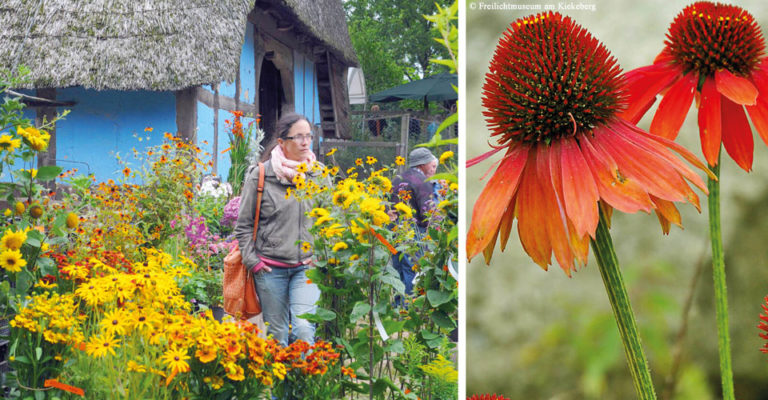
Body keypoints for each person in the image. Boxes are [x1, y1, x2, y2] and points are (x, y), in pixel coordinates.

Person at [234, 113, 321, 347]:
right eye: (298, 137)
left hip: (307, 268)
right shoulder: (261, 175)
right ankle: (280, 382)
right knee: (278, 335)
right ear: (282, 142)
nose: (305, 142)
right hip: (271, 270)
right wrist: (255, 264)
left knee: (304, 328)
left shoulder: (318, 175)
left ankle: (305, 381)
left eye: (308, 136)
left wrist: (322, 257)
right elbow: (243, 225)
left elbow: (331, 221)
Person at [390, 147, 438, 295]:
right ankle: (411, 308)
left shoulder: (398, 178)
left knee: (398, 271)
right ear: (422, 164)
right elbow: (427, 213)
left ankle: (399, 308)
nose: (433, 170)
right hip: (414, 232)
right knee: (413, 271)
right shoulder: (422, 181)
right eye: (432, 166)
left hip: (395, 231)